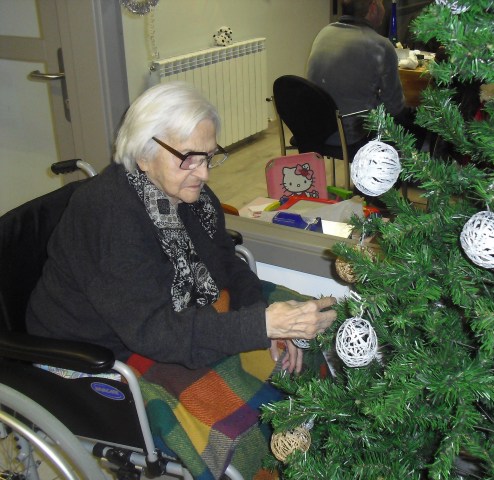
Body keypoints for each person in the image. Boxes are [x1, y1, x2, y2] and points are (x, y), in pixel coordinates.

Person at [26, 81, 337, 479]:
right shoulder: (109, 214)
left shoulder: (190, 196)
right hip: (97, 348)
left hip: (162, 316)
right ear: (144, 153)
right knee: (240, 432)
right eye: (189, 158)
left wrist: (267, 317)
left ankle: (324, 451)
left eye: (209, 156)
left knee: (314, 332)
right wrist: (263, 325)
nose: (203, 173)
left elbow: (226, 263)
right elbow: (153, 332)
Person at [306, 0, 423, 148]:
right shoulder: (380, 45)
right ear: (373, 8)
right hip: (351, 134)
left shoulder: (324, 33)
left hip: (316, 130)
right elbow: (395, 108)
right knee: (420, 126)